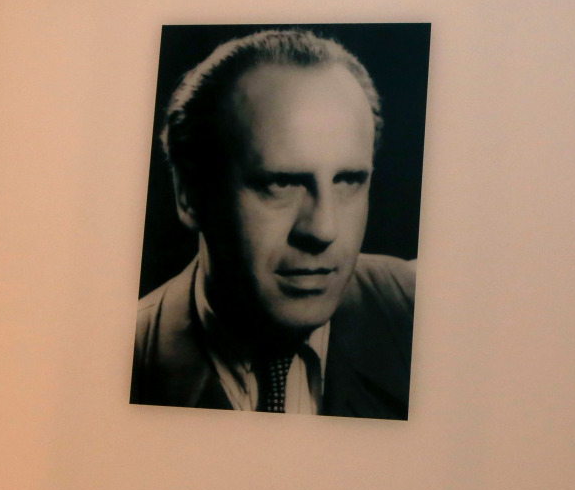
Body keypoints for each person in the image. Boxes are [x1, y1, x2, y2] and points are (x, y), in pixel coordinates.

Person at [130, 29, 415, 419]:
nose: (323, 230)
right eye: (281, 183)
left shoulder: (424, 312)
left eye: (348, 180)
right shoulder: (117, 359)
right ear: (190, 194)